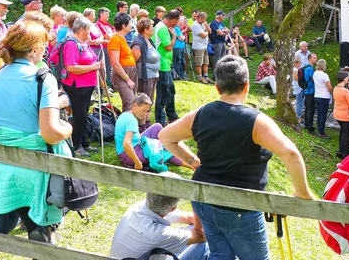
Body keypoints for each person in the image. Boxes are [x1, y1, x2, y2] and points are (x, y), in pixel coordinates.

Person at [159, 55, 314, 260]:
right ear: (247, 86)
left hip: (204, 199)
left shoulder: (200, 114)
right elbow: (291, 153)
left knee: (220, 256)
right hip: (240, 207)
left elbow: (165, 136)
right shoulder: (256, 122)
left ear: (217, 87)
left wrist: (194, 163)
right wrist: (302, 192)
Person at [0, 21, 73, 244]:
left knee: (32, 224)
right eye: (43, 44)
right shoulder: (42, 78)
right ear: (34, 49)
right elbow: (50, 133)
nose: (45, 48)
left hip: (7, 172)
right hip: (38, 171)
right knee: (42, 233)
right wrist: (68, 128)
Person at [110, 171, 208, 260]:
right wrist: (197, 205)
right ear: (172, 208)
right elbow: (201, 236)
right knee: (203, 245)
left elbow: (187, 218)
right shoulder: (157, 234)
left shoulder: (140, 207)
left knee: (192, 231)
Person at [61, 17, 102, 157]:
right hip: (77, 86)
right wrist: (93, 67)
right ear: (81, 29)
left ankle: (84, 143)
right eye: (88, 29)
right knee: (79, 115)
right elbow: (71, 67)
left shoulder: (84, 43)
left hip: (86, 85)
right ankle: (77, 146)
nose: (90, 32)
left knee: (84, 115)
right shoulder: (72, 44)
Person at [115, 94, 185, 170]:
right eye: (143, 111)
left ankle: (170, 147)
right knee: (161, 152)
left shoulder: (125, 114)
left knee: (157, 127)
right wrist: (137, 163)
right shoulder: (132, 121)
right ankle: (192, 165)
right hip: (127, 155)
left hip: (130, 147)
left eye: (147, 111)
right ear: (135, 106)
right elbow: (126, 144)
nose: (145, 114)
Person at [153, 10, 180, 125]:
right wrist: (174, 36)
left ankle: (172, 115)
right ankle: (161, 120)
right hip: (162, 64)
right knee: (163, 93)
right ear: (173, 20)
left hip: (165, 64)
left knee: (170, 91)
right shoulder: (163, 28)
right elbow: (168, 47)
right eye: (177, 21)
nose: (177, 24)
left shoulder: (160, 26)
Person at [132, 18, 161, 120]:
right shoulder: (138, 43)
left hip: (153, 76)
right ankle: (142, 126)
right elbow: (133, 61)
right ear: (145, 30)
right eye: (151, 27)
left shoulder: (149, 41)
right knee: (144, 104)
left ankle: (147, 124)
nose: (153, 29)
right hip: (144, 78)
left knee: (149, 103)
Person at [109, 12, 138, 113]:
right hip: (122, 75)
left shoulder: (123, 39)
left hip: (131, 72)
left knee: (133, 103)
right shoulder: (115, 39)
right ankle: (125, 127)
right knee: (130, 102)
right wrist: (127, 79)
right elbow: (115, 62)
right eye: (130, 23)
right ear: (123, 25)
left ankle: (132, 126)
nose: (132, 25)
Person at [332, 70, 349, 158]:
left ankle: (340, 151)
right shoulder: (345, 91)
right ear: (344, 78)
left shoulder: (335, 88)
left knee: (342, 132)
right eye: (348, 77)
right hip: (345, 115)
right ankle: (345, 153)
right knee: (346, 134)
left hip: (337, 113)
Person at [96, 7, 115, 89]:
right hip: (103, 48)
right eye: (106, 14)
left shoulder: (107, 24)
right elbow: (107, 36)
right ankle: (105, 85)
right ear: (101, 14)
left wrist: (111, 35)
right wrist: (111, 35)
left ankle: (111, 83)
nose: (108, 16)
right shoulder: (99, 24)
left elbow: (115, 33)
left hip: (109, 47)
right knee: (105, 67)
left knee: (110, 66)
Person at [191, 12, 212, 84]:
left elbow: (210, 31)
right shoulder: (195, 25)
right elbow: (203, 35)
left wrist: (206, 26)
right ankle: (200, 77)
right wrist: (206, 32)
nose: (204, 21)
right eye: (204, 19)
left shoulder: (203, 23)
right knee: (199, 63)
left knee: (206, 62)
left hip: (205, 45)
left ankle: (206, 76)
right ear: (200, 18)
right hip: (198, 47)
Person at [313, 59, 332, 139]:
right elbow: (329, 87)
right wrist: (331, 92)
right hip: (324, 96)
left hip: (317, 95)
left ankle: (319, 130)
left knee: (319, 115)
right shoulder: (324, 75)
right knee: (323, 115)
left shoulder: (315, 73)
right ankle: (321, 132)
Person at [303, 53, 318, 134]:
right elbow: (315, 79)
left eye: (316, 58)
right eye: (314, 58)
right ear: (309, 59)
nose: (316, 59)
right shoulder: (310, 69)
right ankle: (310, 127)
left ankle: (306, 124)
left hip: (308, 91)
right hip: (310, 91)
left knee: (308, 109)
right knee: (310, 109)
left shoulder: (307, 67)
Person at [173, 14, 188, 80]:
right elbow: (180, 38)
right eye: (183, 21)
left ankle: (181, 75)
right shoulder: (176, 28)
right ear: (179, 21)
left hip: (181, 47)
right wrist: (184, 37)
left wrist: (183, 37)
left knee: (182, 61)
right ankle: (177, 75)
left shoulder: (178, 28)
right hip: (177, 47)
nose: (184, 22)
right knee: (178, 61)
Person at [291, 56, 304, 125]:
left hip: (297, 88)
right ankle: (298, 118)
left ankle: (297, 116)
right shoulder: (295, 70)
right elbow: (298, 80)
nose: (301, 63)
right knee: (300, 104)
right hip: (298, 88)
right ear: (296, 63)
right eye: (300, 62)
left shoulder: (295, 69)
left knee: (299, 103)